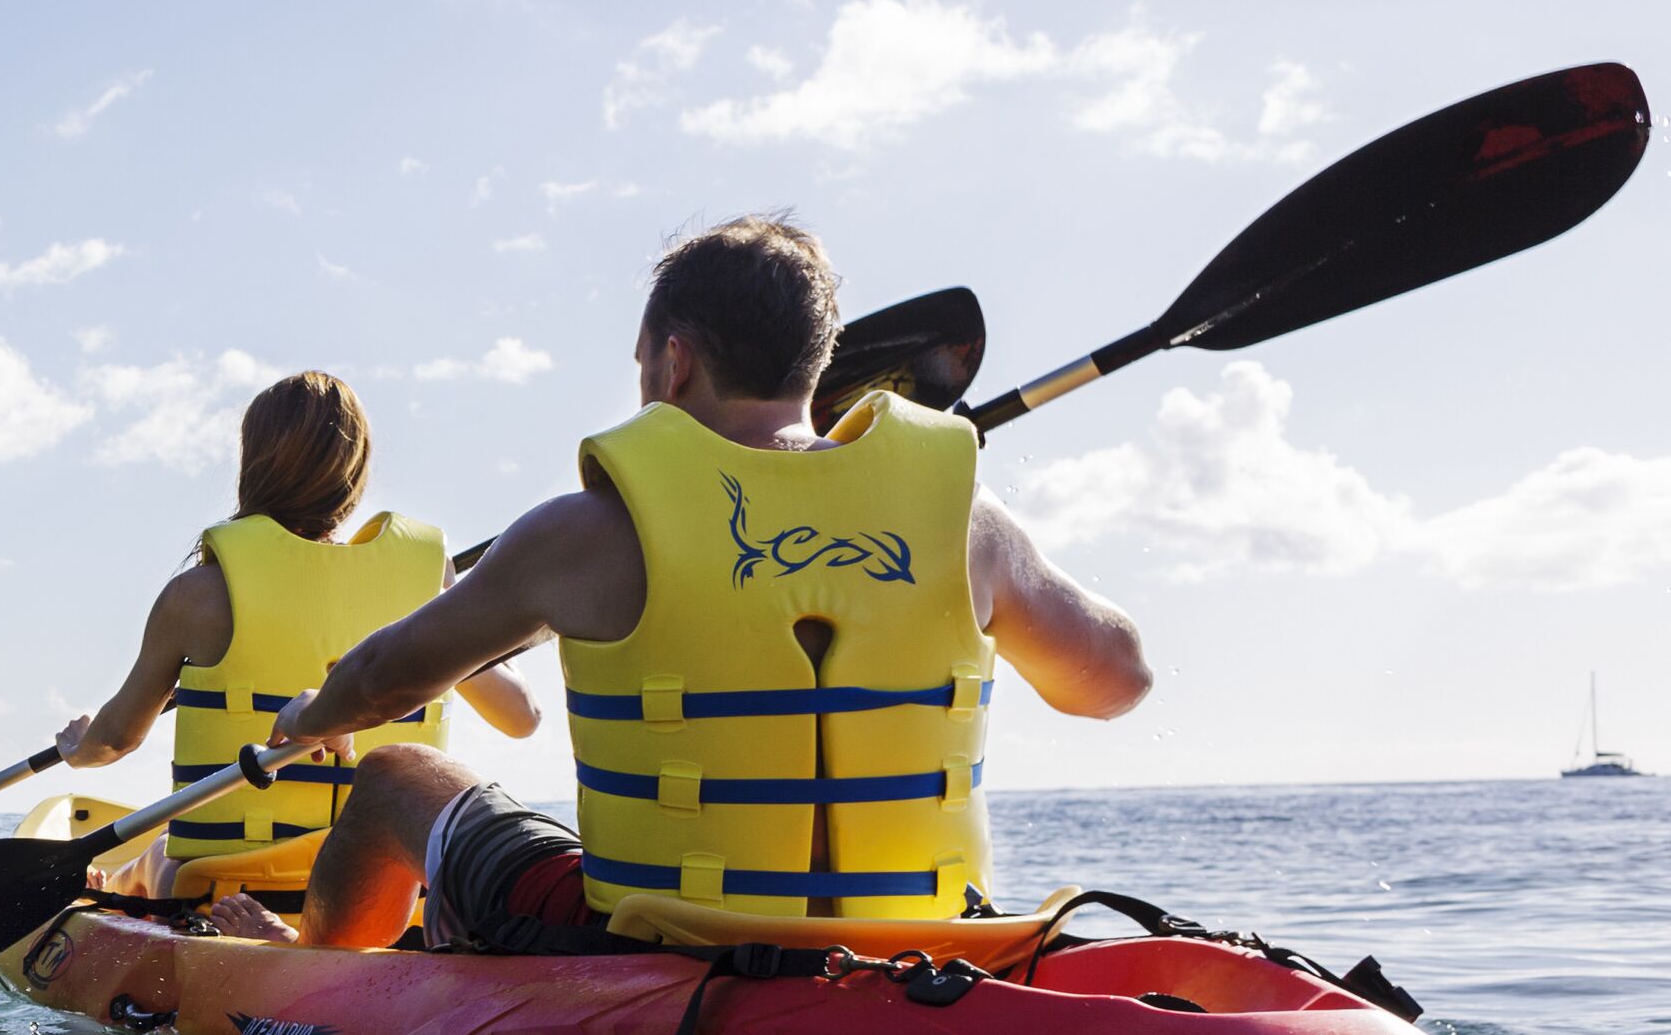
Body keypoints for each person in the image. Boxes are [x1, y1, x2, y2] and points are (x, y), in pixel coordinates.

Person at [249, 216, 1151, 953]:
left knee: (396, 775)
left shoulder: (584, 533)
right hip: (918, 941)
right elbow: (1118, 681)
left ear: (672, 361)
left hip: (664, 943)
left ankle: (307, 980)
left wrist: (312, 717)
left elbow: (383, 683)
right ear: (816, 366)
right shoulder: (966, 520)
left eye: (642, 364)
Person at [55, 368, 537, 926]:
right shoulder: (427, 587)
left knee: (159, 849)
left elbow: (114, 740)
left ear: (253, 463)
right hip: (389, 892)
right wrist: (448, 606)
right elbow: (522, 717)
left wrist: (77, 749)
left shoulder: (199, 595)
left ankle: (103, 890)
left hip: (227, 888)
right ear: (355, 472)